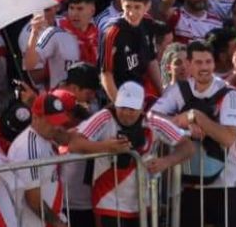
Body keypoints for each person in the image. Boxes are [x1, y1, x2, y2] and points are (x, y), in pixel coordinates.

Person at [69, 81, 193, 226]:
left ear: (141, 108)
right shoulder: (104, 117)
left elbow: (188, 146)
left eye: (132, 108)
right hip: (108, 201)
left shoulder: (152, 122)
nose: (127, 113)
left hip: (142, 202)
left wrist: (166, 162)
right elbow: (74, 144)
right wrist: (104, 147)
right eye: (123, 107)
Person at [151, 40, 236, 227]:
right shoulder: (179, 89)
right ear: (189, 64)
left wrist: (198, 117)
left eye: (208, 62)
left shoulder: (229, 93)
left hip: (226, 182)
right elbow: (152, 117)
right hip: (189, 183)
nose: (204, 68)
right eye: (198, 62)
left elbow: (228, 138)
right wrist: (182, 125)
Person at [6, 90, 75, 227]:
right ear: (35, 118)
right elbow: (33, 198)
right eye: (52, 122)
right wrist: (57, 223)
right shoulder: (28, 148)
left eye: (59, 122)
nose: (56, 127)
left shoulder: (45, 137)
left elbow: (67, 139)